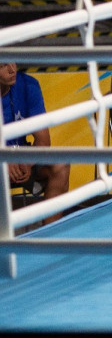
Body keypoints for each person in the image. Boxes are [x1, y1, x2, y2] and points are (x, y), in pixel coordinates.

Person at [1, 62, 69, 223]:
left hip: (21, 159)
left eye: (13, 62)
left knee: (60, 166)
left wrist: (27, 162)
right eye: (3, 65)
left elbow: (43, 140)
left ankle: (49, 240)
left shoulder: (28, 85)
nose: (12, 70)